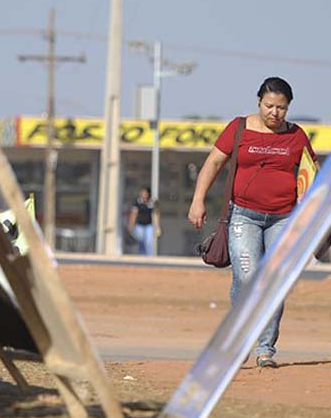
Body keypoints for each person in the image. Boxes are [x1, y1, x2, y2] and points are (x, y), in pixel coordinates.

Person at [187, 77, 316, 368]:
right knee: (246, 279)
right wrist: (198, 200)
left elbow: (311, 177)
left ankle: (265, 349)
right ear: (258, 102)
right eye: (269, 106)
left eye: (281, 108)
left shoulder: (297, 136)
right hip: (244, 216)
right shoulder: (239, 128)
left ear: (288, 107)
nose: (274, 113)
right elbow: (213, 163)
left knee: (273, 282)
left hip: (283, 219)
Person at [128, 186, 156, 256]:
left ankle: (150, 257)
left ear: (148, 194)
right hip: (139, 226)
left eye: (145, 193)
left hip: (149, 225)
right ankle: (142, 256)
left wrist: (157, 226)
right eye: (142, 193)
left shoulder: (152, 203)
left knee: (149, 242)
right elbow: (134, 214)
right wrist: (131, 224)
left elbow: (155, 215)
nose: (143, 195)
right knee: (142, 241)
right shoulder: (137, 202)